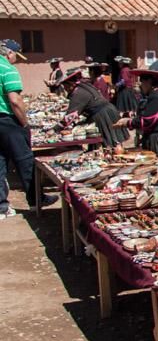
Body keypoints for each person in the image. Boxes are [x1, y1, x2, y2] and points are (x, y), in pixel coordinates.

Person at [0, 40, 57, 217]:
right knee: (25, 160)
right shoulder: (8, 69)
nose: (16, 59)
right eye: (16, 56)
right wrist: (24, 123)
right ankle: (36, 199)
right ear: (9, 53)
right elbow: (15, 100)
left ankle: (2, 206)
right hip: (8, 121)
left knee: (0, 164)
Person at [56, 68, 128, 148]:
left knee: (110, 141)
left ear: (71, 84)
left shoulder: (78, 93)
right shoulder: (84, 86)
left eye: (65, 86)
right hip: (108, 110)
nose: (65, 89)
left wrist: (56, 128)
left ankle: (112, 155)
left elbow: (70, 116)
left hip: (102, 115)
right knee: (113, 139)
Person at [113, 69, 158, 159]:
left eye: (142, 82)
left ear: (149, 82)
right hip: (157, 138)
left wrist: (127, 123)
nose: (141, 86)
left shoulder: (156, 97)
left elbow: (147, 120)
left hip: (157, 140)